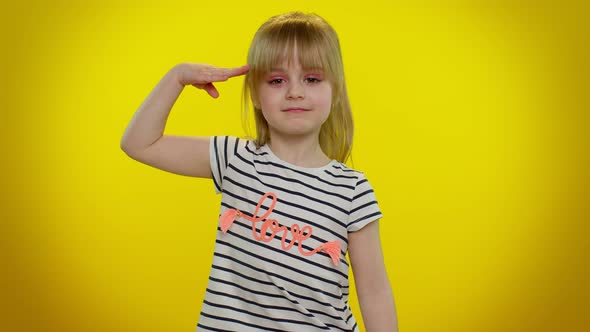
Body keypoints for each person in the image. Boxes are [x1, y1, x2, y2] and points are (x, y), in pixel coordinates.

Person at [121, 11, 398, 332]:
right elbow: (140, 144)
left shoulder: (351, 188)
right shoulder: (234, 159)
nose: (295, 91)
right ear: (254, 92)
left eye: (312, 79)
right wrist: (176, 77)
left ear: (334, 91)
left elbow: (375, 292)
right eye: (277, 80)